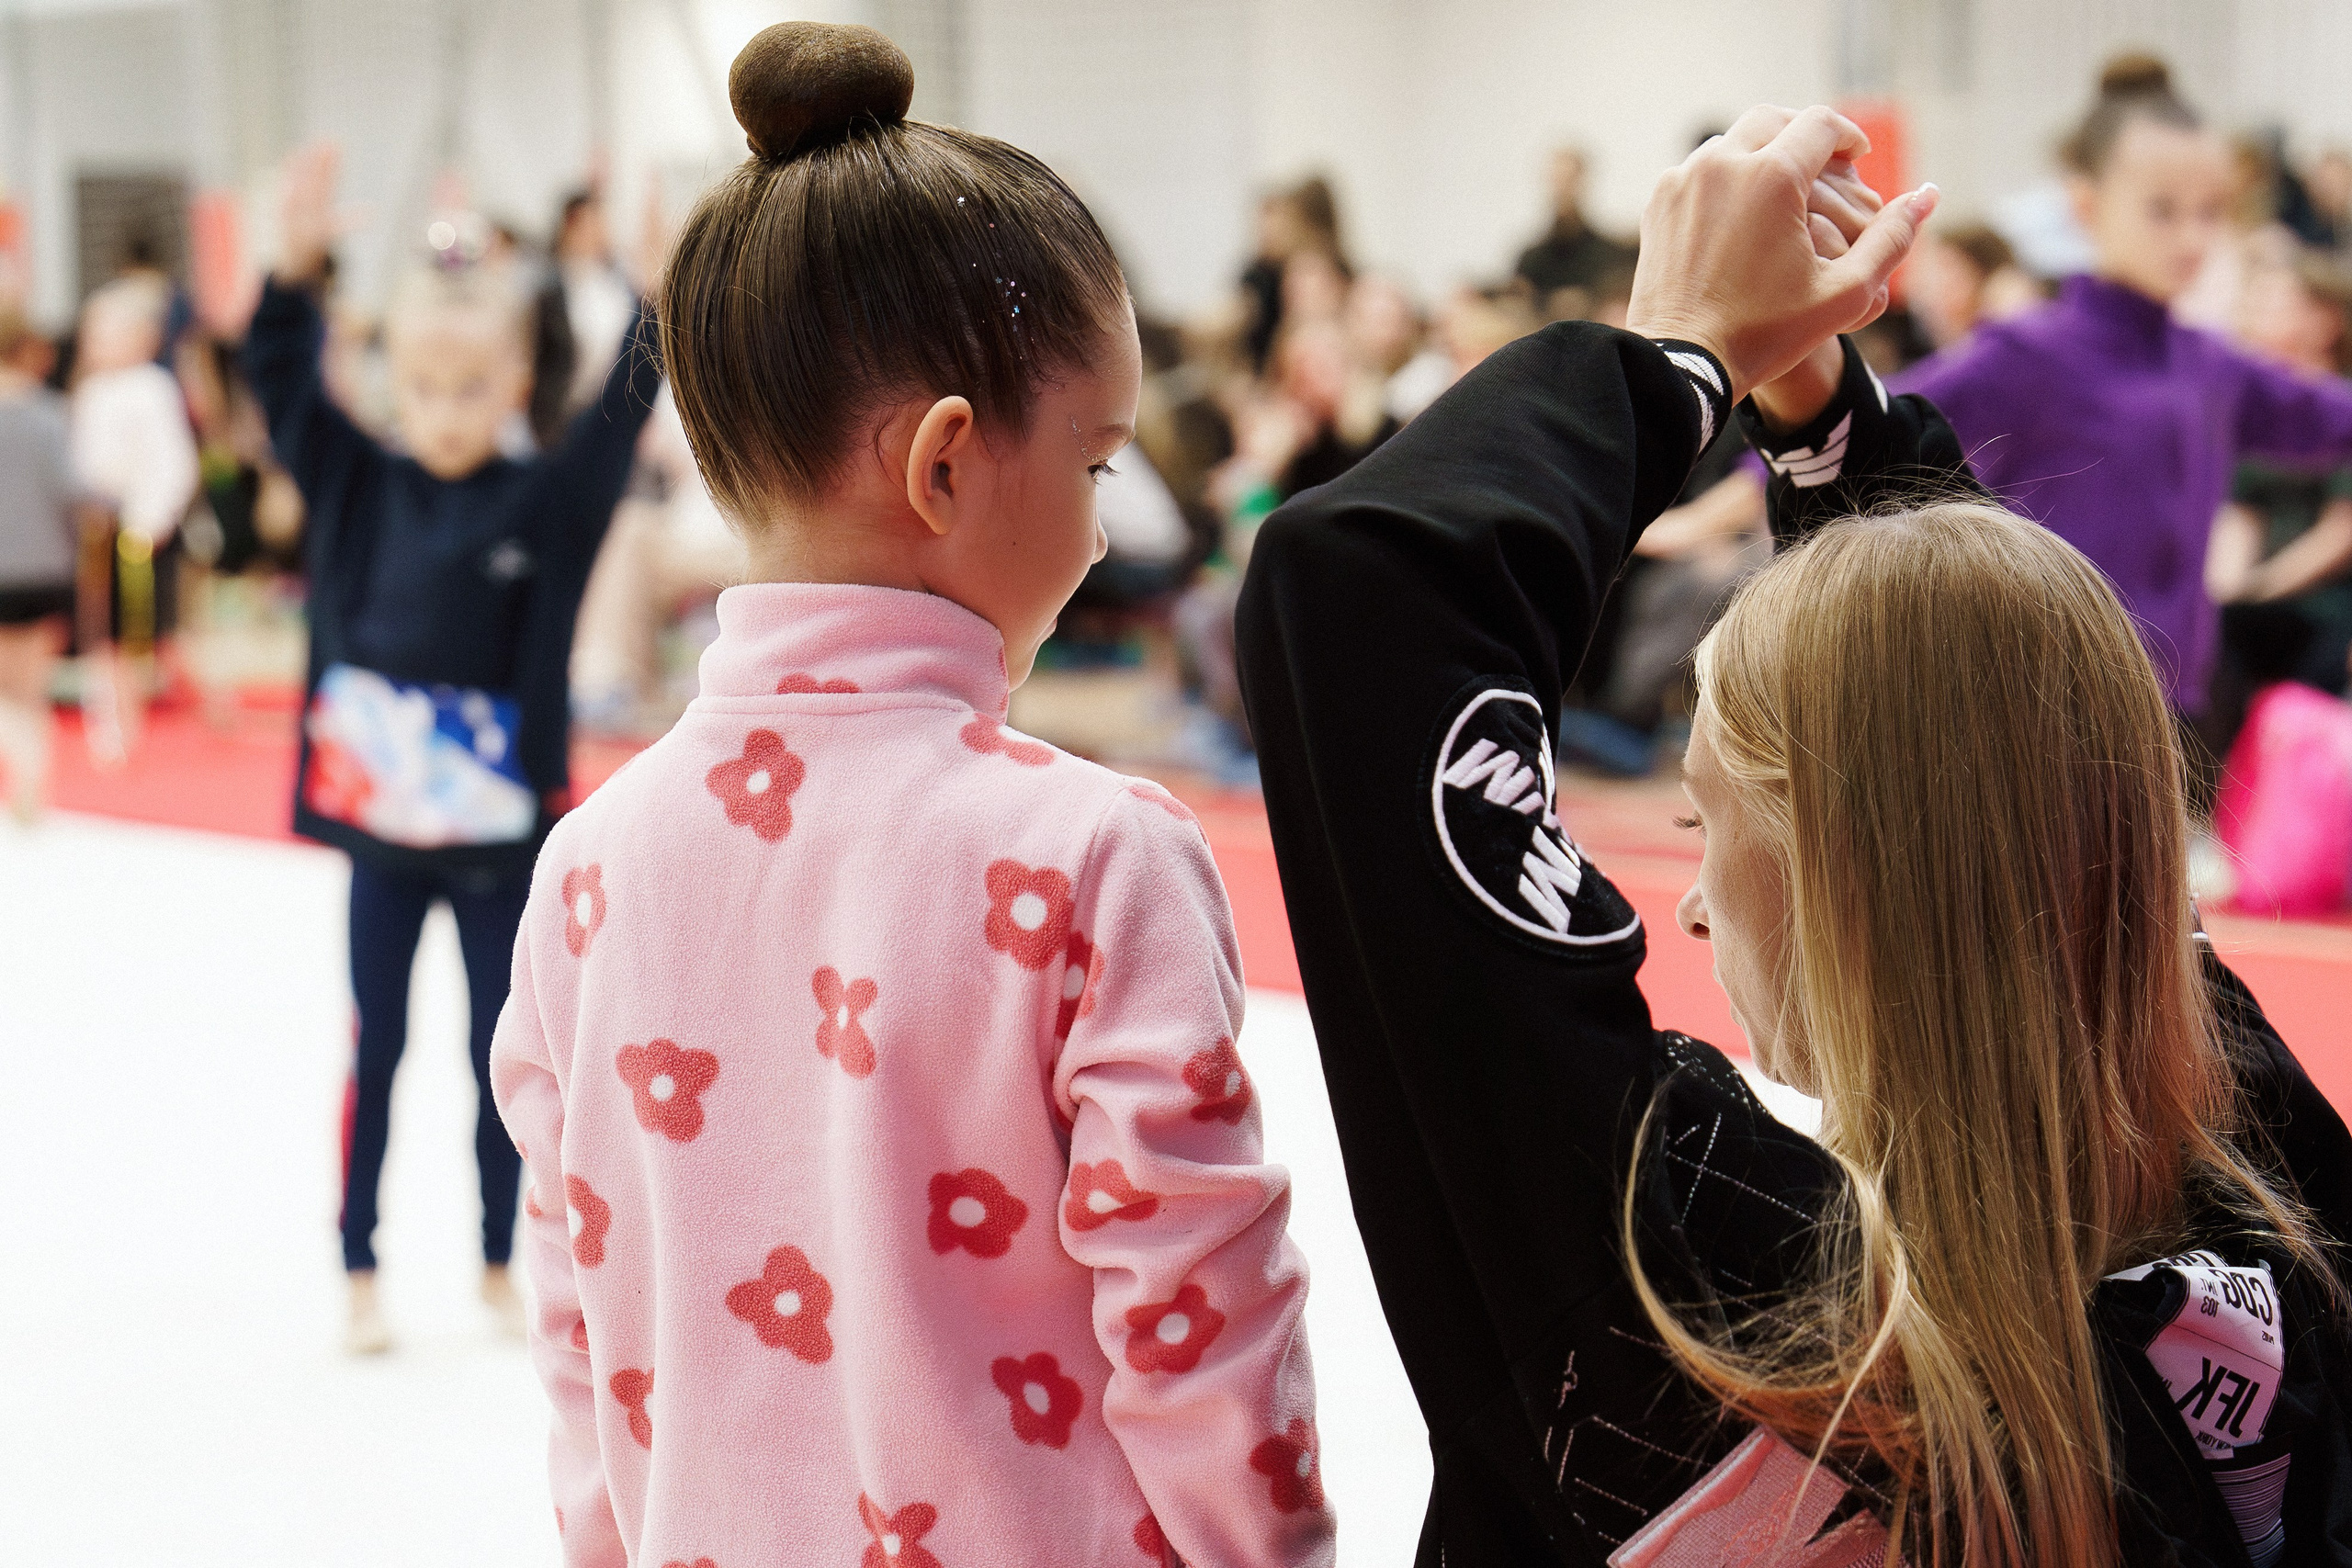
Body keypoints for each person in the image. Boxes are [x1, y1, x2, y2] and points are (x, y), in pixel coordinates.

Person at [1239, 104, 2352, 1568]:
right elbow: (2027, 783)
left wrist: (1676, 356)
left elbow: (1359, 608)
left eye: (1708, 825)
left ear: (1857, 888)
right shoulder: (2280, 1257)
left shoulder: (1776, 1338)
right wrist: (1832, 436)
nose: (1690, 909)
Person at [489, 24, 1329, 1568]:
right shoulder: (1098, 854)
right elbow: (1203, 1327)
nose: (1095, 538)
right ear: (946, 466)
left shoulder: (587, 866)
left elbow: (582, 1331)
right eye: (1093, 468)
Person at [244, 142, 664, 1356]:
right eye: (420, 388)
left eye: (471, 388)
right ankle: (360, 1260)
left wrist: (651, 290)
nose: (442, 414)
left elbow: (619, 413)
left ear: (513, 378)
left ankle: (497, 1251)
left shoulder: (542, 502)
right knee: (378, 1042)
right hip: (382, 829)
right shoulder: (356, 483)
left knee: (503, 1051)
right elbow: (280, 377)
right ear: (390, 381)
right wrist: (293, 266)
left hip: (495, 838)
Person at [1897, 55, 2352, 754]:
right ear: (2087, 205)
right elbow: (1874, 423)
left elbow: (2329, 418)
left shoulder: (2211, 363)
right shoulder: (2027, 353)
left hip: (2172, 705)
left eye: (2210, 212)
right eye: (2163, 211)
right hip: (2043, 701)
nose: (2192, 238)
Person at [69, 274, 200, 762]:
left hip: (139, 528)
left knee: (151, 633)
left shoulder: (152, 388)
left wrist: (153, 517)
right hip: (96, 527)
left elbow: (174, 462)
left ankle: (201, 704)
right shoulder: (91, 391)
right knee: (100, 633)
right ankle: (111, 723)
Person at [0, 305, 83, 823]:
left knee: (8, 692)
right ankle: (32, 790)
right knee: (31, 690)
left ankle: (25, 773)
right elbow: (71, 490)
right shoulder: (50, 414)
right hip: (48, 567)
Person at [1514, 147, 1637, 318]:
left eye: (1570, 179)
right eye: (1558, 179)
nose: (1564, 188)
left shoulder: (1610, 254)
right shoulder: (1531, 260)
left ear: (1582, 180)